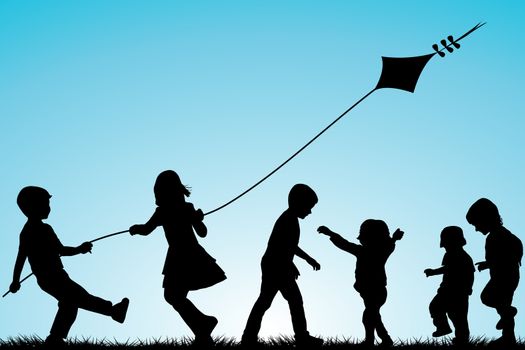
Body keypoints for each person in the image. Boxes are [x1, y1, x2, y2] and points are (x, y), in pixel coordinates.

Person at [9, 186, 129, 345]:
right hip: (53, 276)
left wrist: (15, 280)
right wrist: (80, 249)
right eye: (45, 204)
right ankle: (111, 312)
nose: (49, 208)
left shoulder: (26, 232)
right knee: (76, 299)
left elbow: (21, 257)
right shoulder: (43, 230)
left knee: (72, 301)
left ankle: (112, 312)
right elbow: (61, 250)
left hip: (47, 278)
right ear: (33, 206)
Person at [129, 170, 226, 345]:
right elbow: (203, 233)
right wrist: (197, 219)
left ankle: (203, 326)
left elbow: (146, 229)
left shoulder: (166, 211)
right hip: (186, 255)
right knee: (174, 296)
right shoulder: (181, 209)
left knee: (172, 295)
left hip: (183, 256)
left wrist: (198, 219)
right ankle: (203, 327)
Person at [241, 184, 323, 346]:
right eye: (309, 207)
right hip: (276, 265)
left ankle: (249, 337)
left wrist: (303, 260)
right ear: (299, 203)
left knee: (270, 301)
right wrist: (293, 264)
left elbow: (289, 246)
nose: (310, 211)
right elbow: (281, 246)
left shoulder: (289, 219)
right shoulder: (288, 220)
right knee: (286, 301)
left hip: (276, 264)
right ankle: (301, 337)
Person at [318, 220, 403, 346]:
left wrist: (393, 239)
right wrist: (330, 233)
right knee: (374, 316)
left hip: (376, 290)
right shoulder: (364, 251)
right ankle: (385, 339)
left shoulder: (377, 252)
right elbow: (344, 244)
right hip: (368, 290)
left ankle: (371, 341)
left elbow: (345, 244)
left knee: (369, 315)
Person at [466, 198, 522, 345]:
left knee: (488, 298)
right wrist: (488, 264)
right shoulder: (505, 234)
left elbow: (504, 256)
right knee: (503, 306)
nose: (476, 229)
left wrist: (490, 263)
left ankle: (508, 316)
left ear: (485, 219)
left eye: (476, 224)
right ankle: (509, 338)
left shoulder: (495, 237)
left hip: (503, 277)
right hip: (511, 276)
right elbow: (513, 250)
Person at [424, 226, 474, 345]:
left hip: (456, 291)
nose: (445, 247)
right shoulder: (450, 255)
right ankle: (445, 328)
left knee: (458, 318)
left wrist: (468, 288)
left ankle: (460, 338)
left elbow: (468, 273)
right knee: (439, 308)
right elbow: (447, 269)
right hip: (448, 290)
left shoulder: (463, 257)